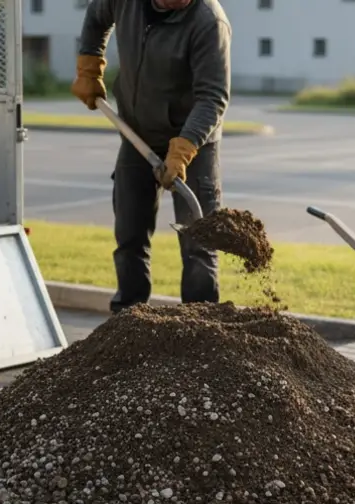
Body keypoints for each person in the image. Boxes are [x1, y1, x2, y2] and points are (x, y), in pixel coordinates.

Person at [71, 0, 232, 314]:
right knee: (130, 235)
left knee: (198, 243)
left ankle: (201, 330)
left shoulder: (209, 21)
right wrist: (89, 63)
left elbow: (213, 97)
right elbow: (96, 15)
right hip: (137, 134)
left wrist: (183, 148)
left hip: (193, 141)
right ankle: (128, 321)